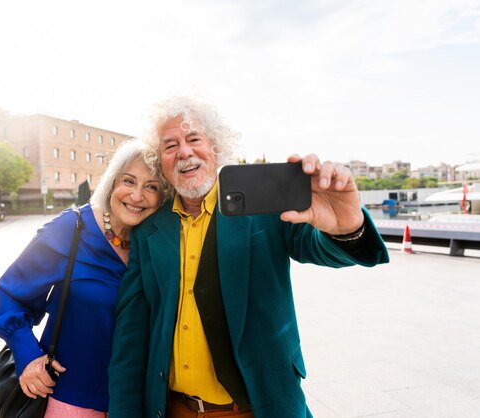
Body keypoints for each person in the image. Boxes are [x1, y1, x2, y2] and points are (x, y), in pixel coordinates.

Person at [108, 96, 390, 418]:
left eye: (194, 139)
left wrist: (347, 228)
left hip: (258, 407)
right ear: (161, 161)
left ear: (215, 148)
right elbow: (131, 338)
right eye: (170, 145)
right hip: (174, 409)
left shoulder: (264, 206)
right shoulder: (149, 231)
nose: (184, 151)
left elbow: (317, 247)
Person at [0, 139, 167, 417]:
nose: (137, 196)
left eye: (152, 186)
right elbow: (12, 294)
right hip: (69, 399)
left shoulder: (156, 244)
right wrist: (28, 357)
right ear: (112, 182)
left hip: (135, 403)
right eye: (129, 181)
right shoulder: (72, 228)